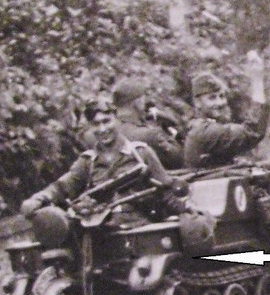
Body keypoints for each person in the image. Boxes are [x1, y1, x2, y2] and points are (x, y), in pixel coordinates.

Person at [20, 94, 191, 222]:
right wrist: (38, 199)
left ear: (116, 119)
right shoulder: (88, 162)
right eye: (96, 124)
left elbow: (167, 192)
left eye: (106, 121)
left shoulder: (141, 153)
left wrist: (188, 210)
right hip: (102, 234)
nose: (102, 129)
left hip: (141, 228)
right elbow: (62, 187)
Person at [183, 52, 270, 169]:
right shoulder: (204, 132)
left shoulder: (205, 127)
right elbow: (251, 132)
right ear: (198, 103)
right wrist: (257, 80)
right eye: (212, 98)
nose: (220, 103)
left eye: (222, 96)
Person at [111, 77, 184, 170]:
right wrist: (171, 133)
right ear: (137, 102)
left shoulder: (107, 132)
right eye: (143, 98)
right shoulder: (150, 135)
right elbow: (179, 160)